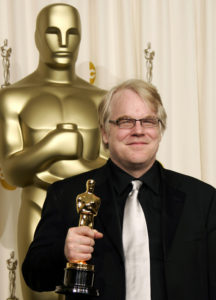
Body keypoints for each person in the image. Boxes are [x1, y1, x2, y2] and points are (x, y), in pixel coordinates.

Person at [22, 79, 216, 300]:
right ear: (105, 132)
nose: (138, 130)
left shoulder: (202, 199)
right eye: (125, 121)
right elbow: (33, 276)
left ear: (159, 131)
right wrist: (63, 252)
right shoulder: (66, 194)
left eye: (149, 121)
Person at [0, 3, 106, 300]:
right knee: (40, 291)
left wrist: (66, 160)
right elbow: (11, 172)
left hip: (93, 217)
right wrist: (52, 146)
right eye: (53, 32)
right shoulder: (12, 97)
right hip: (36, 208)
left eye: (72, 33)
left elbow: (113, 168)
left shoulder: (101, 98)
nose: (63, 42)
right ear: (36, 37)